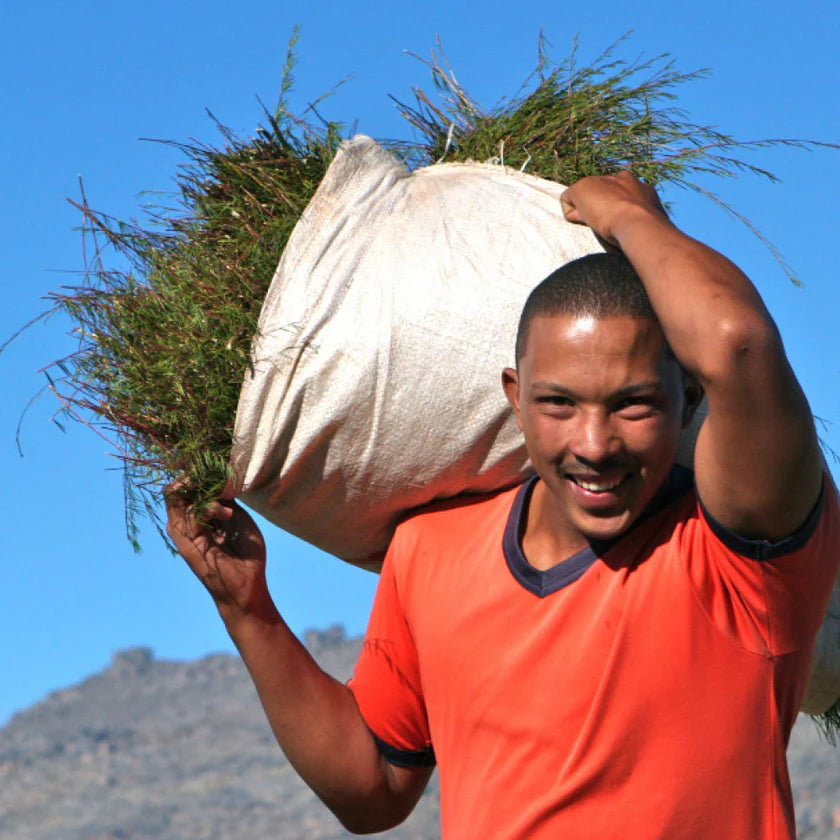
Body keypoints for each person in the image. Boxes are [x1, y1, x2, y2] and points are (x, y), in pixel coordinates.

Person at [166, 172, 839, 839]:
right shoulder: (430, 550)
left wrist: (633, 222)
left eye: (633, 404)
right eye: (559, 404)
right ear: (515, 397)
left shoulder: (742, 556)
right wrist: (248, 611)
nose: (595, 444)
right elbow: (373, 789)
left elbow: (738, 344)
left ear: (689, 401)